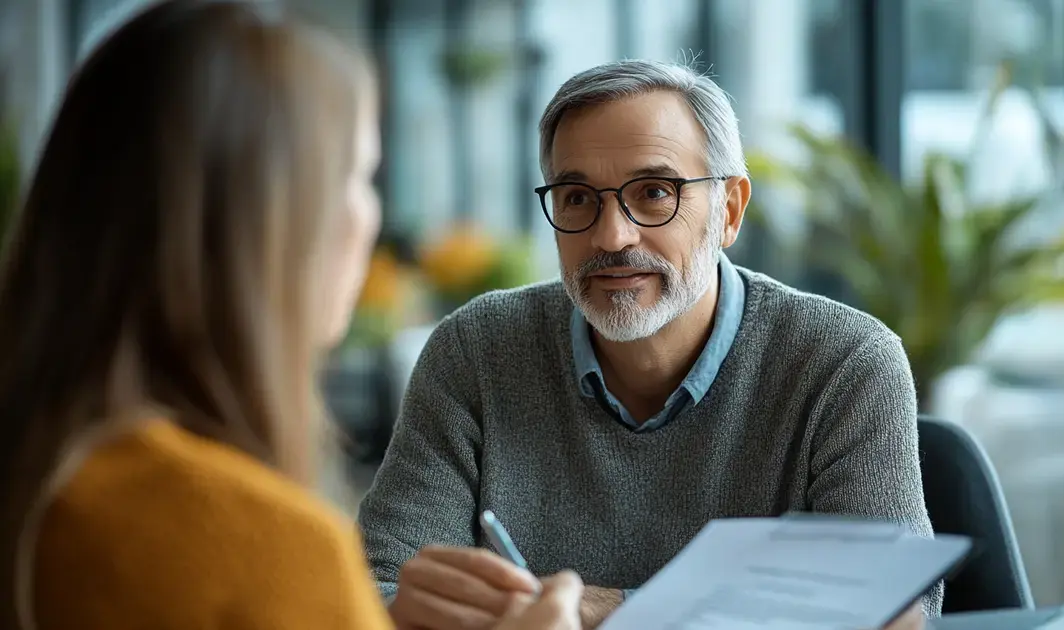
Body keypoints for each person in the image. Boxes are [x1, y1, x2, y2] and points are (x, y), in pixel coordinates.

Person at [0, 2, 582, 629]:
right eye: (359, 177)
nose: (372, 217)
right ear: (276, 228)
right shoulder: (262, 545)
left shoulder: (44, 481)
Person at [359, 59, 936, 630]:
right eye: (578, 198)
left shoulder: (844, 362)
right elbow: (374, 589)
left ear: (729, 210)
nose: (612, 236)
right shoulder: (477, 350)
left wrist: (598, 609)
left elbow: (892, 612)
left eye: (656, 192)